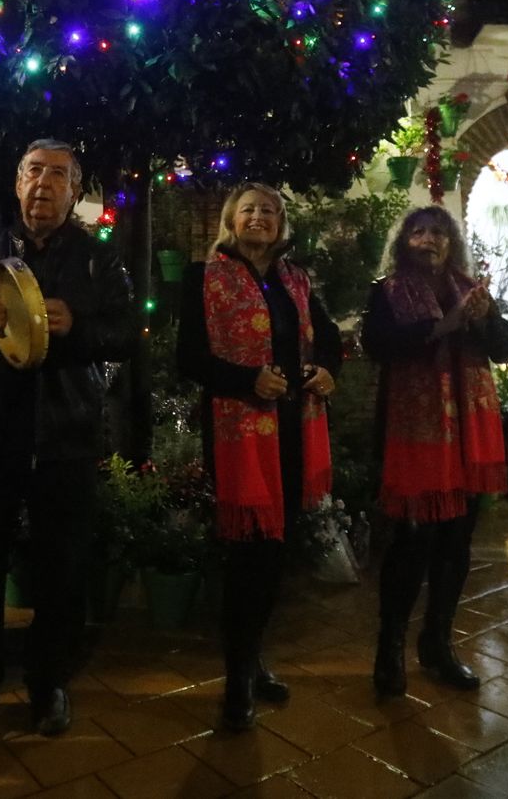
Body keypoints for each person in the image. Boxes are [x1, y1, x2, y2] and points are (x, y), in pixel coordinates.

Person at [0, 139, 135, 739]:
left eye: (58, 176)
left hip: (65, 435)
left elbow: (125, 334)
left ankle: (50, 684)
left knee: (61, 568)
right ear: (17, 184)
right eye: (33, 172)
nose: (43, 184)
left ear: (75, 192)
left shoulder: (98, 259)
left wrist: (79, 328)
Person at [177, 182, 341, 731]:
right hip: (241, 436)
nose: (259, 217)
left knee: (277, 556)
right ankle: (237, 679)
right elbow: (190, 358)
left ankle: (254, 657)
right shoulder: (204, 278)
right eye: (248, 209)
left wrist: (326, 371)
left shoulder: (296, 280)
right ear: (231, 220)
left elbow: (331, 339)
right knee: (247, 558)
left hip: (294, 431)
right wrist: (249, 379)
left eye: (269, 211)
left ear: (281, 224)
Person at [362, 207, 508, 696]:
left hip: (469, 434)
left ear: (452, 243)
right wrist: (441, 327)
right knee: (411, 544)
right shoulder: (386, 291)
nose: (429, 240)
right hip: (418, 436)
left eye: (440, 233)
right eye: (419, 231)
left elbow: (506, 348)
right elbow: (378, 345)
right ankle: (389, 649)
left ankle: (438, 642)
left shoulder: (471, 290)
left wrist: (485, 318)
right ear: (404, 240)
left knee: (456, 545)